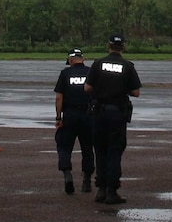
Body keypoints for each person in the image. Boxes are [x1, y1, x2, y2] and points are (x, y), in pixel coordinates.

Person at [84, 34, 141, 205]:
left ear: (108, 46)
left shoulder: (98, 64)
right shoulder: (127, 66)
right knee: (114, 152)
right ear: (123, 47)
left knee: (100, 150)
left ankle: (100, 189)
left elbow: (87, 88)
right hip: (117, 114)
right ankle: (112, 191)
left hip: (99, 114)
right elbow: (136, 92)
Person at [53, 47, 95, 195]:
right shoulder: (91, 72)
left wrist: (58, 117)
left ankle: (67, 175)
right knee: (88, 148)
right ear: (83, 59)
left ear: (70, 60)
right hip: (88, 115)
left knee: (64, 147)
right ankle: (87, 181)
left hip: (70, 115)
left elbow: (59, 97)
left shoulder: (65, 73)